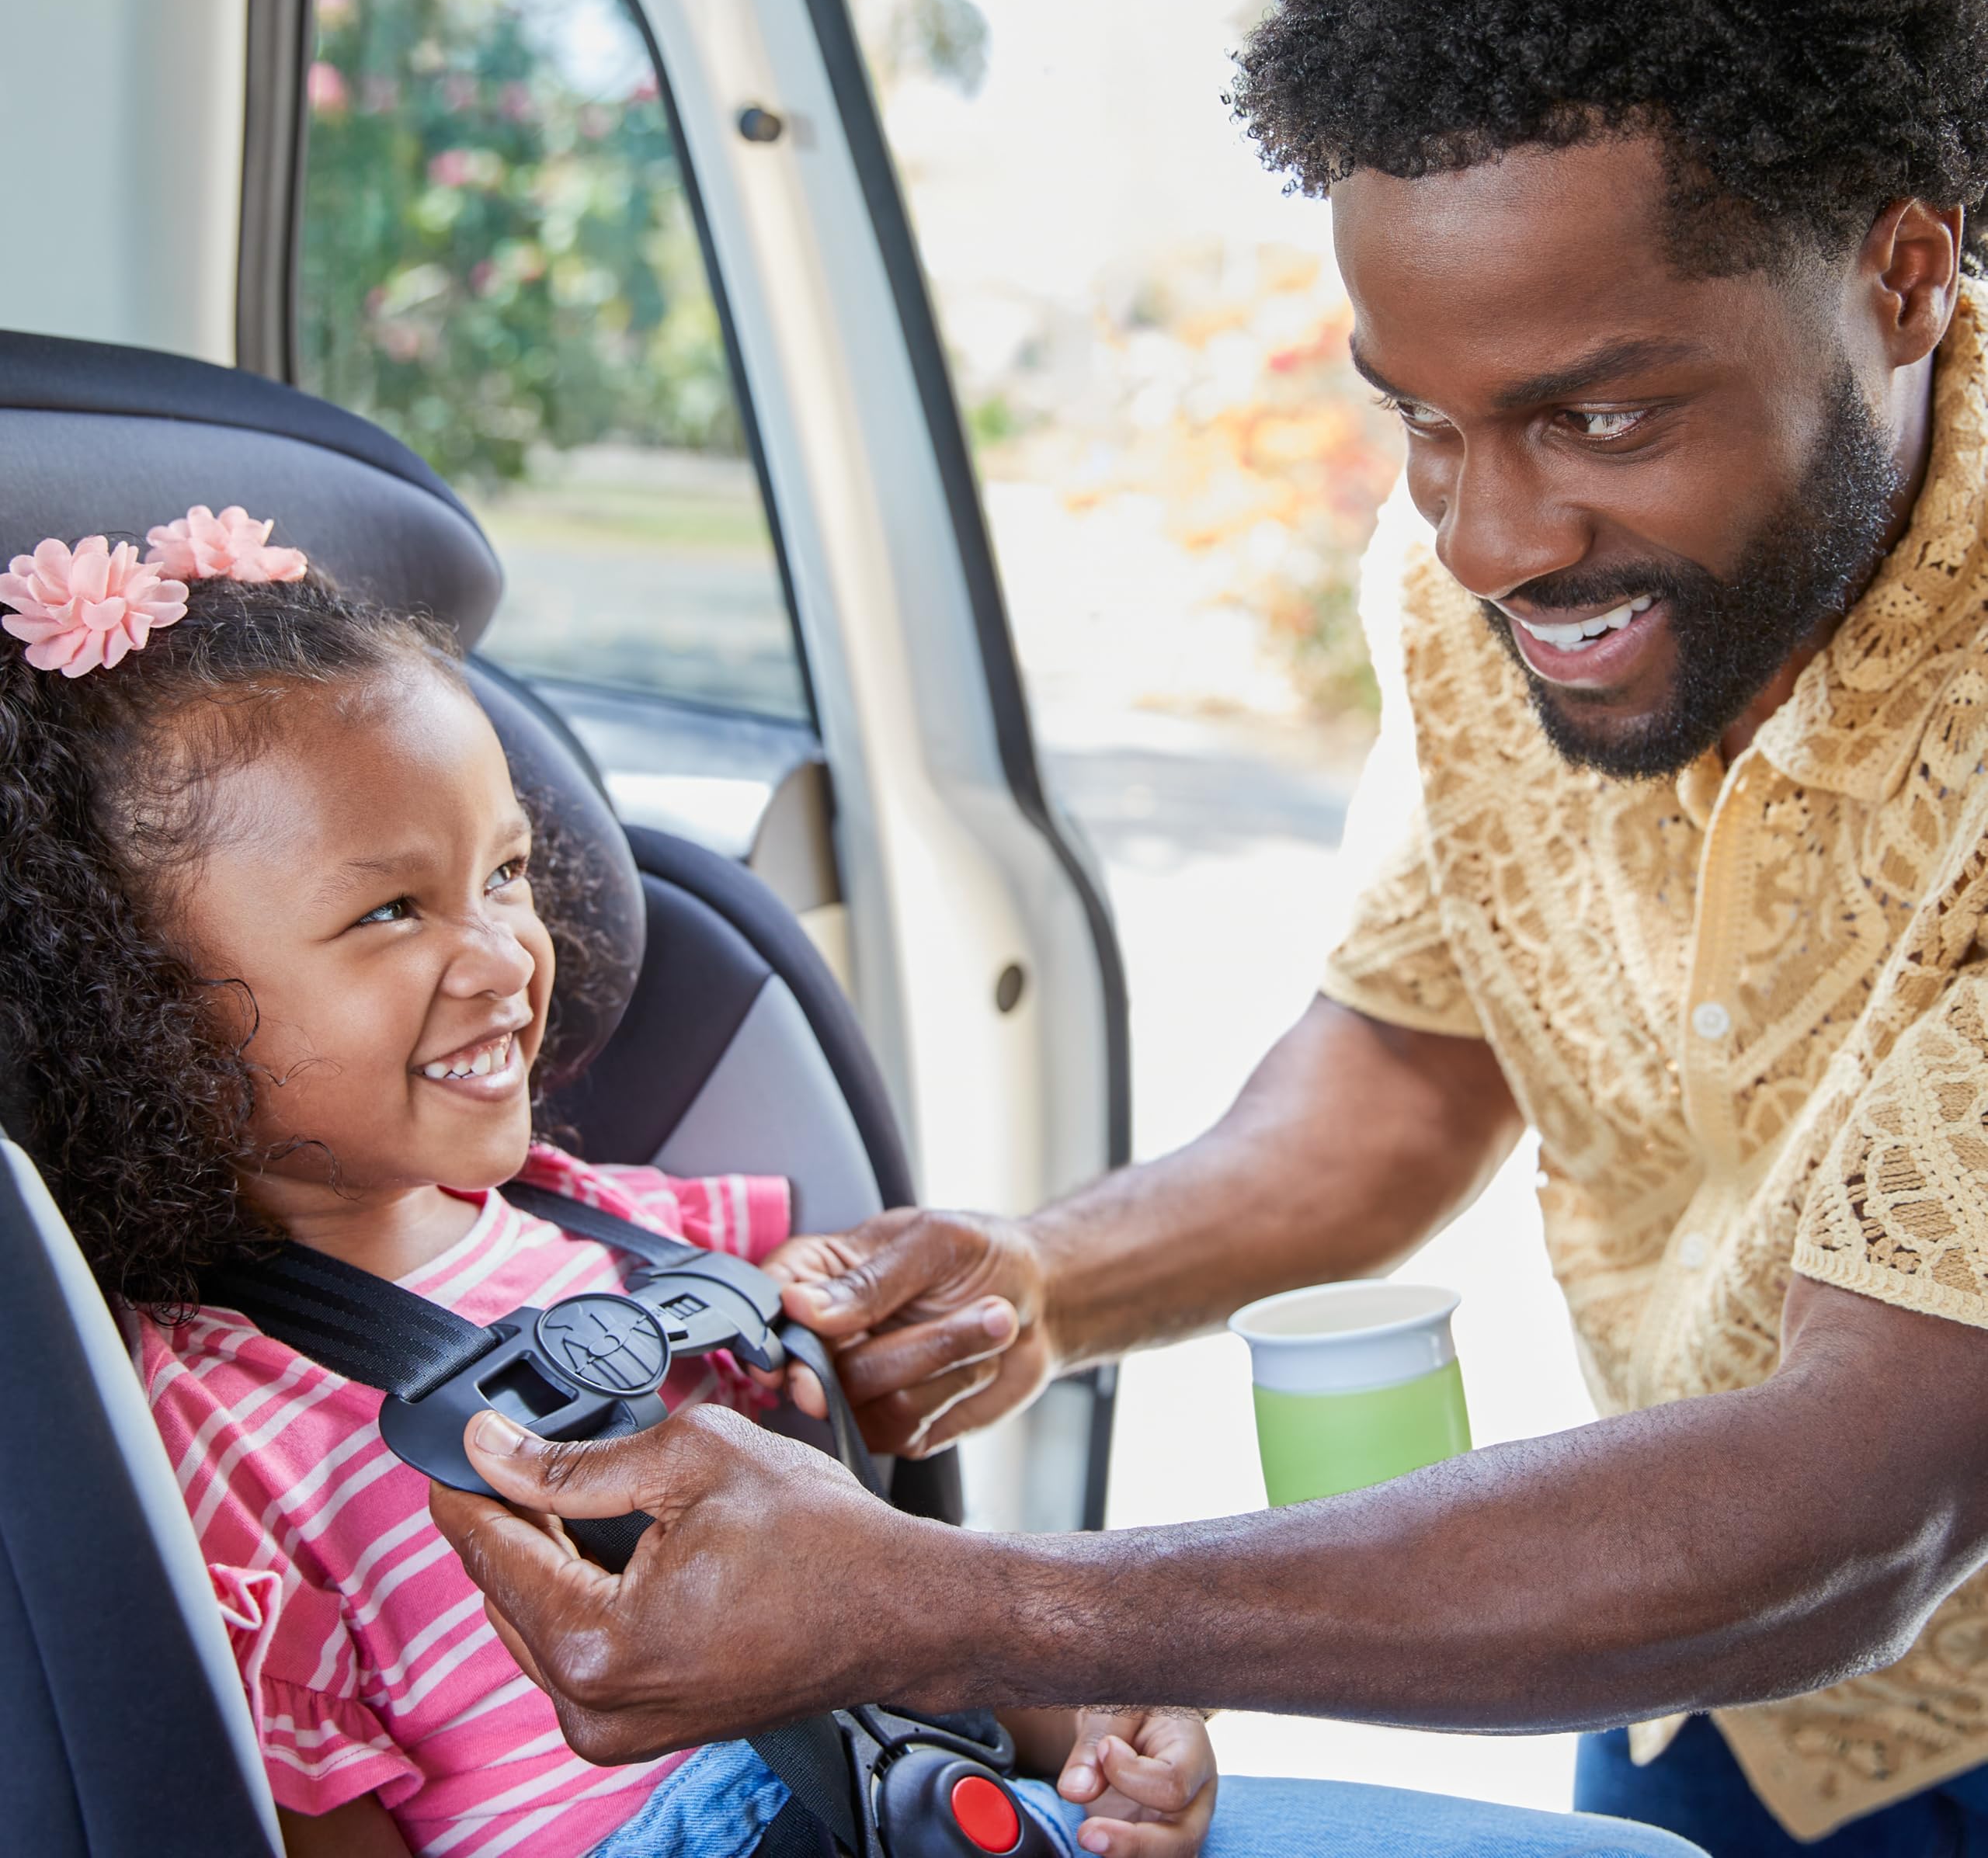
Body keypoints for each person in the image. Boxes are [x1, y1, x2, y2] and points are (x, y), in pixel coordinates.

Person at [426, 0, 1988, 1854]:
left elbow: (1863, 1498)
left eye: (1596, 412)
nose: (1485, 540)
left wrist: (956, 1603)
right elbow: (1416, 1065)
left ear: (1904, 273)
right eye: (1419, 418)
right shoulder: (1485, 600)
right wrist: (1041, 1278)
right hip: (1708, 1680)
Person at [0, 514, 1234, 1858]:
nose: (504, 956)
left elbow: (887, 1595)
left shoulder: (641, 1237)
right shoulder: (210, 1443)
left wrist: (1093, 1722)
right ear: (143, 1008)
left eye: (508, 873)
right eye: (390, 912)